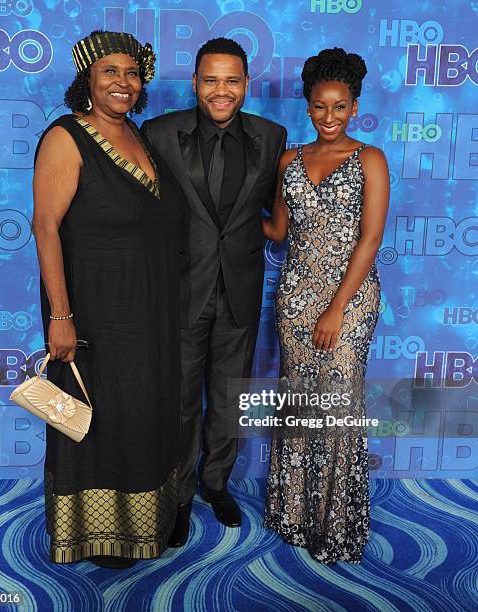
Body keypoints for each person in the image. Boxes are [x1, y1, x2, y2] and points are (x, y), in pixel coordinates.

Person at [32, 30, 182, 569]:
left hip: (147, 313)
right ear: (87, 81)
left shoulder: (140, 137)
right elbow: (45, 227)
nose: (123, 82)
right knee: (98, 421)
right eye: (110, 72)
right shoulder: (67, 137)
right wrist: (61, 317)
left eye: (132, 73)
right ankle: (96, 537)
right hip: (93, 312)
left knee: (141, 414)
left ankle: (143, 526)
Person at [141, 38, 286, 547]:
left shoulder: (272, 137)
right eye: (210, 80)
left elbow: (277, 214)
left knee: (229, 399)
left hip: (241, 290)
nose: (220, 90)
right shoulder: (158, 133)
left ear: (246, 84)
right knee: (180, 402)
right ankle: (178, 497)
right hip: (181, 291)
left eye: (231, 80)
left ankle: (216, 482)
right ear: (195, 83)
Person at [263, 48, 389, 564]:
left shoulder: (370, 160)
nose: (329, 117)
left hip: (350, 299)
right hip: (294, 296)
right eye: (320, 107)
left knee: (336, 407)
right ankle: (293, 514)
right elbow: (275, 229)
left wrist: (336, 309)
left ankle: (334, 527)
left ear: (354, 107)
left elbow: (370, 239)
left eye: (340, 107)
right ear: (308, 107)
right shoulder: (289, 160)